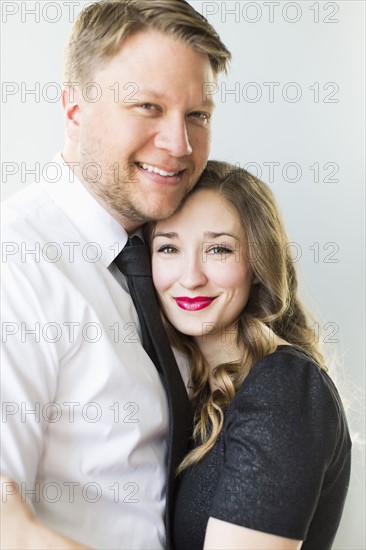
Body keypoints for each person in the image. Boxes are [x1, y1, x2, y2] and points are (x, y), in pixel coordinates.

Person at [0, 1, 231, 549]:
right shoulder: (16, 264)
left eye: (197, 114)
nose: (179, 145)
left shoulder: (173, 262)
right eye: (148, 106)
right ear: (75, 111)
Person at [148, 161, 352, 550]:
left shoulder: (284, 386)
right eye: (169, 247)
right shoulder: (202, 392)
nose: (190, 276)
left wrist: (29, 536)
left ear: (257, 265)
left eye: (218, 249)